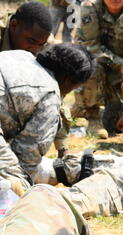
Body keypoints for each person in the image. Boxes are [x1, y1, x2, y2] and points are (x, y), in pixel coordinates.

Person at [0, 43, 96, 193]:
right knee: (16, 186)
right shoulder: (49, 94)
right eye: (76, 86)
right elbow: (26, 158)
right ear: (67, 79)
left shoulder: (21, 55)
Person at [0, 1, 72, 159]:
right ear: (13, 25)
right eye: (31, 42)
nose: (35, 50)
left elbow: (54, 94)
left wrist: (62, 147)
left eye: (40, 44)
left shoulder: (45, 45)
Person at [72, 0, 123, 137]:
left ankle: (82, 109)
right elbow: (91, 47)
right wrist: (120, 63)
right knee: (90, 64)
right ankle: (93, 117)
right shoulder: (89, 8)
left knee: (117, 122)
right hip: (95, 64)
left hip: (120, 73)